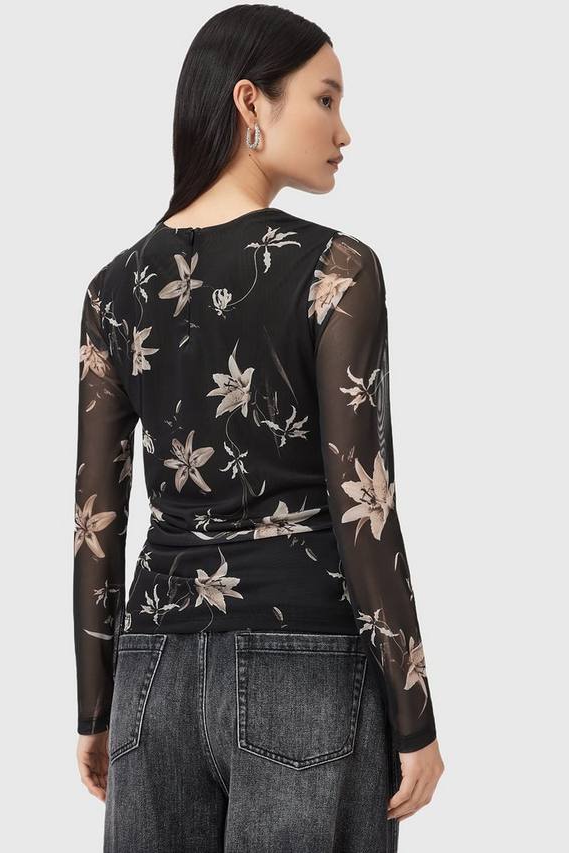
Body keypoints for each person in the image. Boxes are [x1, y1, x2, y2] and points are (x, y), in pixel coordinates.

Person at [73, 5, 444, 851]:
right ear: (251, 102)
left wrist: (96, 707)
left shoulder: (113, 290)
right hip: (307, 670)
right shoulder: (335, 271)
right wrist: (414, 711)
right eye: (325, 98)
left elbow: (96, 520)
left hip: (152, 674)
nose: (343, 131)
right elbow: (363, 505)